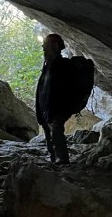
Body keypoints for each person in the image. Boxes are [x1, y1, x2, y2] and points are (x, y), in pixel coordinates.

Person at [35, 33, 95, 165]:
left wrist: (64, 107)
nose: (43, 47)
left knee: (55, 131)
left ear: (55, 46)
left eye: (46, 45)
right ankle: (54, 158)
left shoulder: (63, 66)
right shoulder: (48, 66)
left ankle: (62, 160)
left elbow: (62, 89)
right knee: (49, 132)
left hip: (57, 107)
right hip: (48, 107)